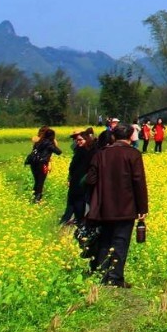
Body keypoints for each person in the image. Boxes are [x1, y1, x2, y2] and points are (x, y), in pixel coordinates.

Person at [85, 123, 149, 287]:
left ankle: (102, 275)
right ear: (130, 137)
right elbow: (138, 181)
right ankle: (115, 277)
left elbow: (90, 179)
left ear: (113, 136)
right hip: (126, 206)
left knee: (105, 240)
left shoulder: (101, 154)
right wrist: (142, 208)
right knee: (120, 241)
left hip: (104, 206)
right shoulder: (133, 154)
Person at [61, 130, 96, 225]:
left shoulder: (88, 151)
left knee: (79, 202)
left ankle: (78, 221)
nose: (78, 142)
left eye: (80, 140)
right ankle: (75, 220)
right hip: (77, 180)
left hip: (82, 180)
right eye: (77, 140)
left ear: (86, 139)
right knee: (76, 201)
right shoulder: (80, 150)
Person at [26, 127, 62, 203]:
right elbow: (58, 152)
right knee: (41, 181)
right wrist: (54, 144)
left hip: (33, 163)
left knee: (36, 180)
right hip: (42, 164)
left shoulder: (38, 142)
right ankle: (37, 199)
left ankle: (34, 196)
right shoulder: (49, 143)